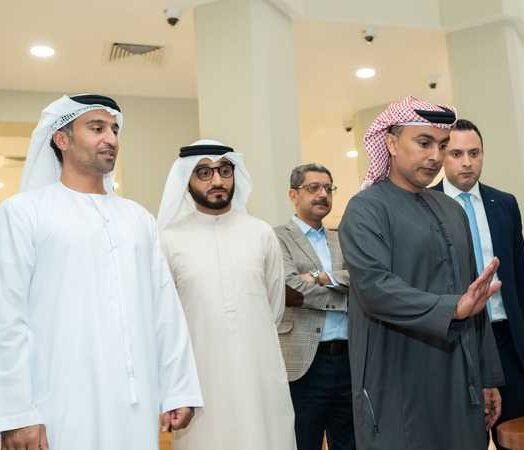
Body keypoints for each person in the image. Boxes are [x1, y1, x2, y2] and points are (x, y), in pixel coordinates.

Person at [0, 94, 203, 450]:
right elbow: (7, 315)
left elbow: (165, 310)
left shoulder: (137, 218)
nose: (110, 138)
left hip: (134, 401)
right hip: (56, 402)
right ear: (61, 139)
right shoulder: (23, 213)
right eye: (97, 128)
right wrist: (16, 413)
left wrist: (178, 388)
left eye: (114, 130)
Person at [338, 96, 505, 450]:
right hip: (397, 380)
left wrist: (488, 377)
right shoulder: (366, 209)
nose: (435, 156)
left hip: (461, 379)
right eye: (424, 143)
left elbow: (475, 298)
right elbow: (375, 288)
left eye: (442, 145)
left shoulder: (452, 210)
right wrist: (452, 308)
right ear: (391, 143)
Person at [157, 139, 296, 450]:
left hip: (258, 371)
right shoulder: (168, 240)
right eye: (204, 172)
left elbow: (274, 307)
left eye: (224, 170)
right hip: (200, 377)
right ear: (187, 180)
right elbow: (165, 319)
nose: (217, 180)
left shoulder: (260, 233)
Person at [433, 118, 524, 449]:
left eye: (474, 153)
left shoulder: (504, 203)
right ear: (442, 156)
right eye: (456, 154)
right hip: (458, 342)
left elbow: (520, 278)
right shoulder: (425, 204)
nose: (467, 162)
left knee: (522, 438)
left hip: (507, 340)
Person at [275, 163, 354, 450]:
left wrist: (320, 277)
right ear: (293, 194)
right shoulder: (277, 238)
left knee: (350, 443)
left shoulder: (342, 237)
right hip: (304, 363)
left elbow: (360, 278)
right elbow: (290, 288)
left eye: (328, 188)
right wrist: (345, 295)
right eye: (313, 188)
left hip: (348, 360)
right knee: (303, 442)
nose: (323, 194)